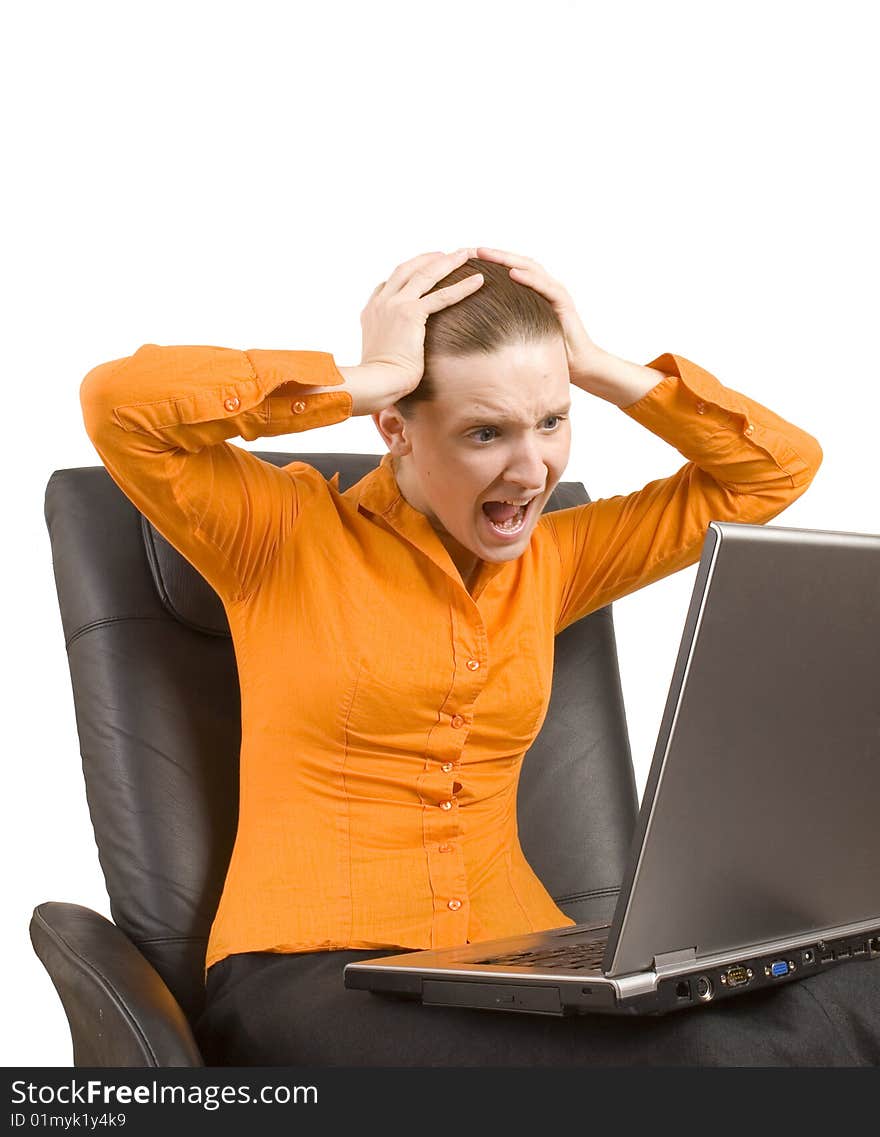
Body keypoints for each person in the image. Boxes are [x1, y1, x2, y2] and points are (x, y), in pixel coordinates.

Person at [79, 246, 879, 1066]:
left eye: (552, 421)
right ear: (395, 425)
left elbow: (777, 468)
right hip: (315, 971)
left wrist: (598, 367)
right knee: (700, 1063)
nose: (532, 470)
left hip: (518, 961)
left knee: (857, 991)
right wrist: (365, 376)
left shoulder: (554, 560)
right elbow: (119, 405)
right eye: (485, 431)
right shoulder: (281, 534)